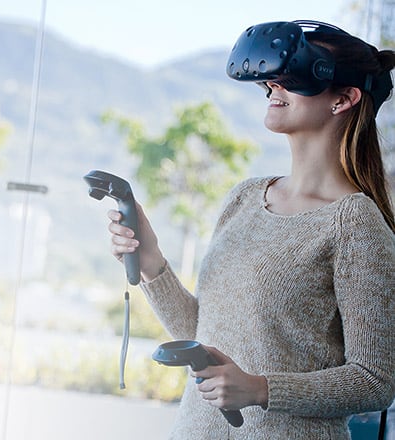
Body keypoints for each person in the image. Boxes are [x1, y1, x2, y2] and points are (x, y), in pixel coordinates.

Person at [106, 21, 395, 439]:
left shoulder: (354, 223)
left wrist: (261, 389)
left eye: (292, 76)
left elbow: (374, 380)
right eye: (272, 79)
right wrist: (152, 262)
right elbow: (205, 339)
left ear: (344, 98)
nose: (274, 86)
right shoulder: (244, 198)